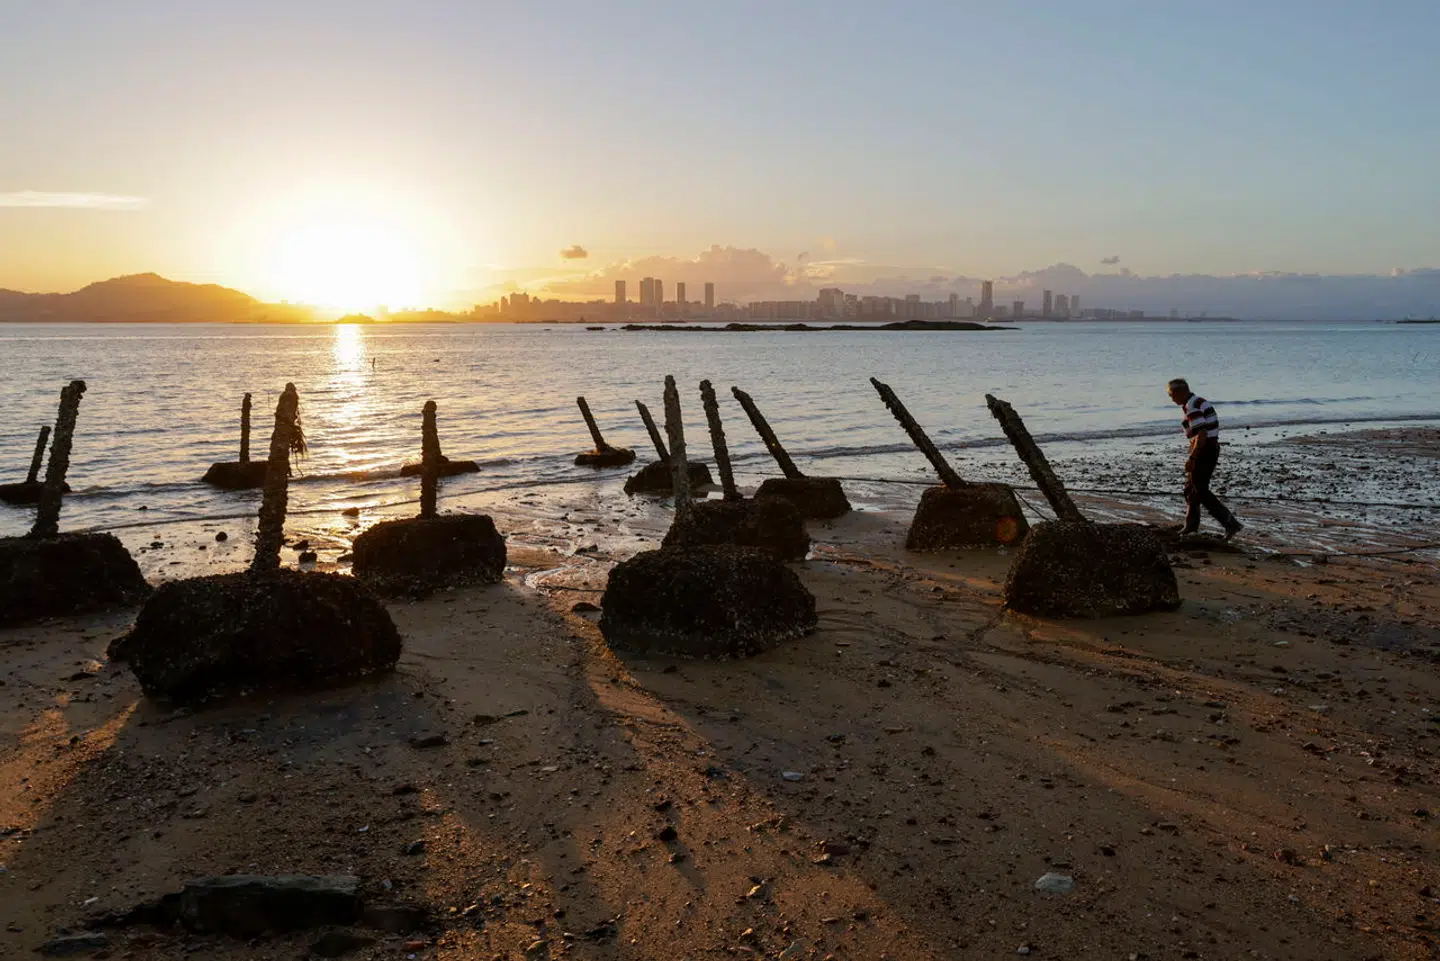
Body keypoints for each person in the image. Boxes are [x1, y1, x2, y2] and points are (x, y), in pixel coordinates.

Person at [1167, 378, 1243, 538]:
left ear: (1179, 392)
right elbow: (1196, 434)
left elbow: (1201, 435)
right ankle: (1191, 526)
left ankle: (1230, 523)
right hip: (1209, 448)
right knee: (1190, 489)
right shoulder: (1197, 402)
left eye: (1171, 395)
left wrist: (1192, 458)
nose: (1171, 399)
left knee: (1200, 490)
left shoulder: (1192, 406)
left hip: (1205, 451)